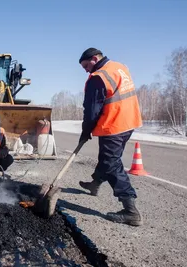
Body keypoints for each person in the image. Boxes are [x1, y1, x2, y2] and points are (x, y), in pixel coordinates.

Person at [77, 48, 143, 226]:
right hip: (129, 121)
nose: (85, 70)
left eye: (85, 65)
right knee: (107, 158)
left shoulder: (98, 77)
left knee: (111, 163)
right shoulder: (119, 67)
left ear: (94, 58)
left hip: (114, 124)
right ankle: (95, 184)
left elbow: (92, 110)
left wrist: (86, 130)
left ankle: (130, 211)